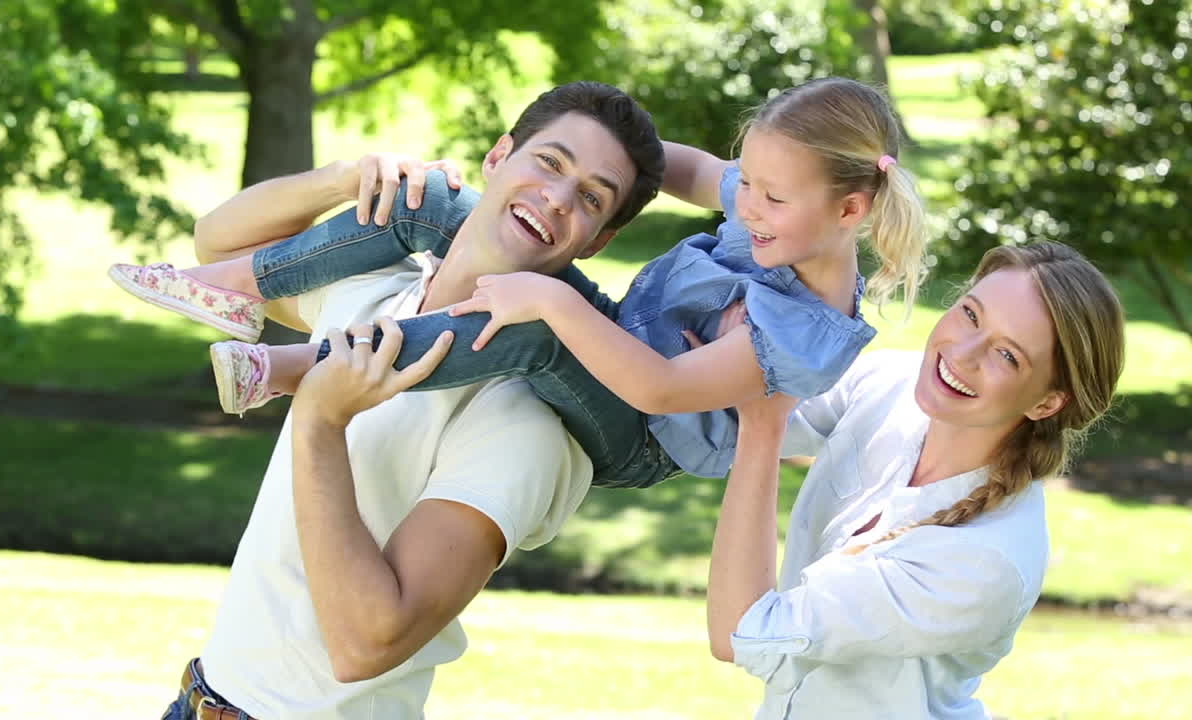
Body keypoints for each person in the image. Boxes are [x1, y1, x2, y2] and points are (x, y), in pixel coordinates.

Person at [110, 76, 931, 490]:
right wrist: (592, 138)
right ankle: (220, 283)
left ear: (851, 208)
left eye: (767, 195)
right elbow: (679, 166)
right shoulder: (774, 201)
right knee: (433, 203)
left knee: (538, 322)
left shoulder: (807, 328)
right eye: (745, 179)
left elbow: (662, 385)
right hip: (618, 334)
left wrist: (548, 296)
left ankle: (296, 369)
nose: (742, 202)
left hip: (641, 431)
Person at [156, 81, 666, 720]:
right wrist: (343, 181)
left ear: (597, 242)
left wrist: (319, 418)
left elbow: (367, 644)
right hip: (197, 700)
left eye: (591, 197)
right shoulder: (378, 289)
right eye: (549, 161)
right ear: (497, 157)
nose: (557, 198)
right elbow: (221, 251)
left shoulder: (525, 421)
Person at [706, 242, 1126, 719]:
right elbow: (725, 420)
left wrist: (762, 426)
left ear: (1046, 403)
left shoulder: (985, 562)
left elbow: (743, 632)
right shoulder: (894, 382)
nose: (963, 355)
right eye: (971, 314)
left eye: (1007, 355)